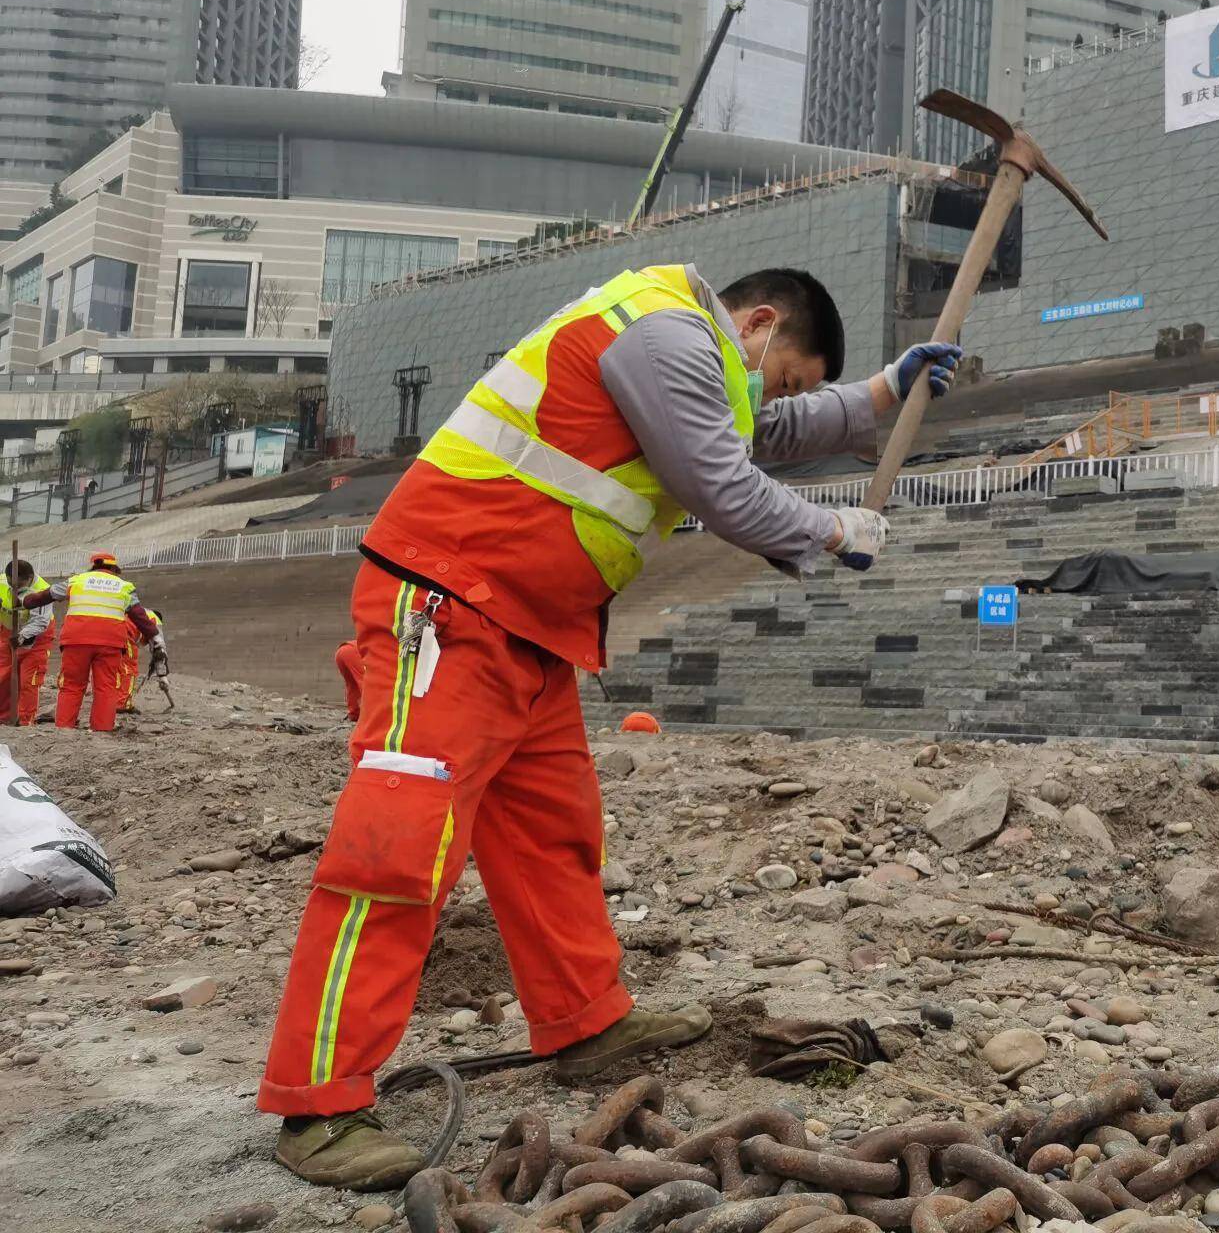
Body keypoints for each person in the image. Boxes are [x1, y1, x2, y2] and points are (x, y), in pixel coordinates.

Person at [259, 262, 961, 1191]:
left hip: (528, 625)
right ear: (754, 324)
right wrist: (834, 533)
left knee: (554, 837)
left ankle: (586, 1019)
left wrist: (879, 392)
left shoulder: (692, 357)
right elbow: (722, 478)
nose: (776, 394)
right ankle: (318, 1103)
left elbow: (762, 429)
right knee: (396, 851)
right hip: (454, 601)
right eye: (785, 372)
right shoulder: (667, 334)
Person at [26, 552, 166, 732]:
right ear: (114, 569)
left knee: (71, 685)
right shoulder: (124, 586)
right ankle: (102, 730)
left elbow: (45, 596)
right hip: (111, 643)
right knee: (106, 687)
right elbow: (139, 616)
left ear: (93, 566)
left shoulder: (77, 581)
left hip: (76, 640)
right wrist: (156, 638)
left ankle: (64, 728)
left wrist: (24, 601)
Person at [2, 559, 54, 725]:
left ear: (30, 577)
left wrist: (22, 636)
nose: (14, 588)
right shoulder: (1, 582)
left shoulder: (42, 591)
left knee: (28, 681)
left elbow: (40, 622)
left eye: (19, 584)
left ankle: (26, 721)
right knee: (3, 677)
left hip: (37, 638)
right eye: (11, 584)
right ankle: (4, 717)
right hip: (6, 633)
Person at [334, 641, 363, 722]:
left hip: (341, 651)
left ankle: (354, 714)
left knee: (352, 685)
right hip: (354, 652)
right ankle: (370, 716)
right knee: (367, 684)